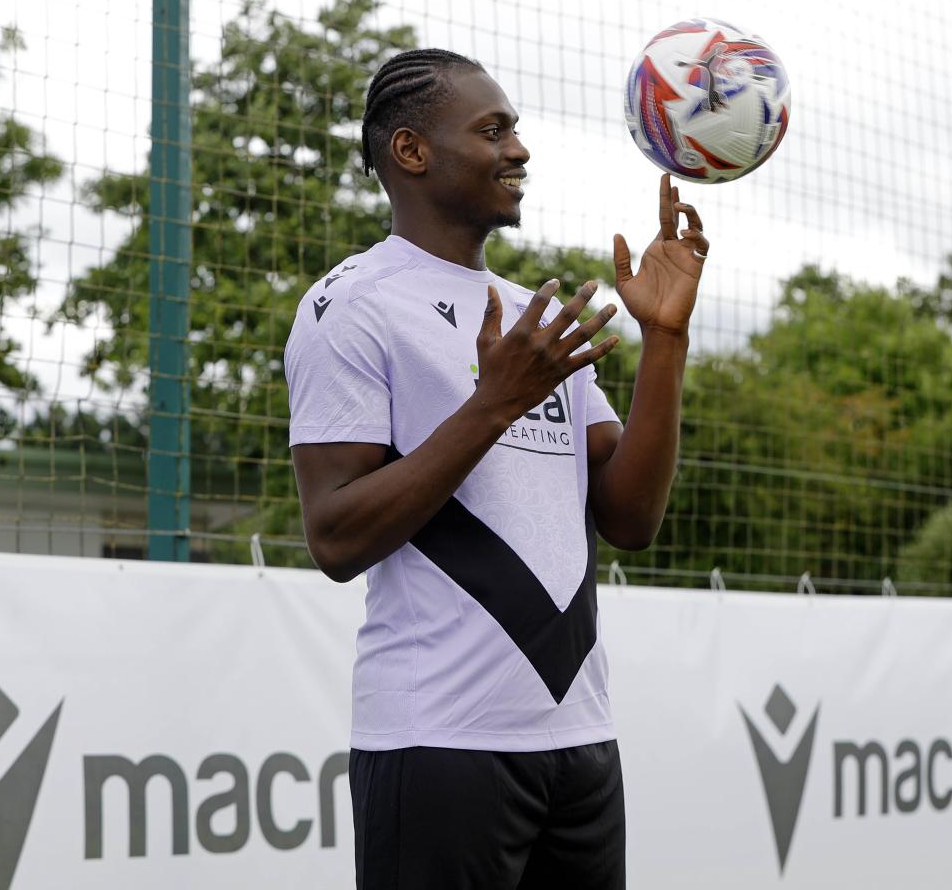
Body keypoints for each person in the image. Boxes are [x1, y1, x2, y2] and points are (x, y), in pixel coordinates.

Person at [283, 48, 708, 890]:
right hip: (438, 743)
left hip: (578, 742)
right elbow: (334, 537)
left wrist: (664, 340)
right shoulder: (351, 308)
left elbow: (630, 521)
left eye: (515, 129)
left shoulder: (530, 317)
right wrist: (494, 402)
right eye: (493, 130)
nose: (519, 149)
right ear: (411, 152)